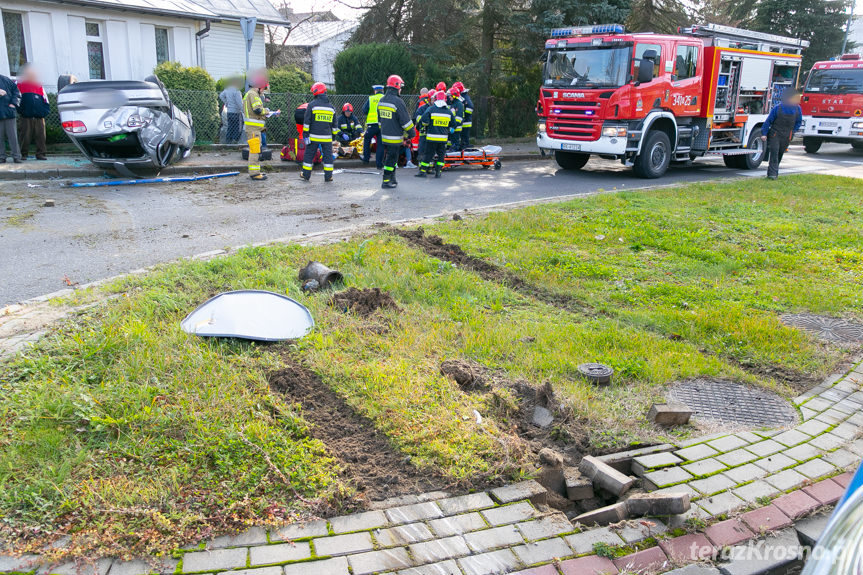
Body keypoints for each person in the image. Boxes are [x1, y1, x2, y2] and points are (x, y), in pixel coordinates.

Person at [377, 75, 415, 189]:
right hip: (394, 137)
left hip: (384, 135)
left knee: (392, 157)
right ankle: (386, 180)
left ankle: (392, 178)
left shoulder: (382, 100)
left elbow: (379, 120)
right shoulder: (398, 102)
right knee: (391, 158)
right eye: (400, 87)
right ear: (396, 86)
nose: (401, 89)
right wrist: (411, 133)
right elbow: (405, 121)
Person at [242, 70, 279, 181]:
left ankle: (255, 172)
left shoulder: (250, 94)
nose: (264, 91)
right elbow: (257, 110)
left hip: (254, 129)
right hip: (253, 130)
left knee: (256, 150)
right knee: (254, 151)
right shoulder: (253, 94)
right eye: (264, 88)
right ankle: (254, 173)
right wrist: (268, 111)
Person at [301, 82, 339, 182]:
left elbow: (307, 122)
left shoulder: (312, 105)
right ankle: (328, 176)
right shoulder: (331, 108)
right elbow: (335, 125)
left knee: (309, 156)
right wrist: (334, 136)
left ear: (315, 92)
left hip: (313, 137)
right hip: (327, 137)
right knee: (328, 157)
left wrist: (305, 134)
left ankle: (306, 175)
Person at [761, 89, 802, 180]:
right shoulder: (777, 108)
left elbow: (798, 122)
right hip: (775, 134)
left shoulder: (797, 109)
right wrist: (764, 133)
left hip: (787, 135)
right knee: (774, 153)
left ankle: (774, 172)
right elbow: (768, 121)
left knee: (780, 153)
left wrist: (793, 131)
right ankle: (772, 175)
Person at [415, 91, 454, 179]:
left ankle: (422, 172)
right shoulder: (448, 111)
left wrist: (426, 125)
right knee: (441, 155)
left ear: (435, 99)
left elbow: (424, 120)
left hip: (432, 138)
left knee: (428, 154)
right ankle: (438, 172)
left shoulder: (431, 109)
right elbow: (453, 123)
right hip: (443, 139)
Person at [15, 65, 50, 161]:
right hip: (26, 116)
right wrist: (21, 111)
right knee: (24, 136)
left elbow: (46, 100)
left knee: (41, 137)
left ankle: (41, 154)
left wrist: (44, 112)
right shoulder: (20, 85)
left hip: (39, 117)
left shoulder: (39, 86)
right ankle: (23, 154)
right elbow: (16, 99)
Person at [361, 84, 385, 168]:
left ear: (375, 91)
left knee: (367, 139)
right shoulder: (385, 98)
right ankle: (379, 164)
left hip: (372, 124)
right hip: (383, 124)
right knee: (380, 144)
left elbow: (364, 110)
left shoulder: (371, 98)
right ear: (382, 91)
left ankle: (366, 159)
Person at [0, 72, 22, 164]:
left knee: (13, 136)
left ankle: (16, 156)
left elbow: (17, 93)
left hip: (9, 113)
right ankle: (1, 156)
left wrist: (13, 104)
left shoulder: (6, 80)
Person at [219, 76, 243, 144]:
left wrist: (226, 102)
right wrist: (243, 111)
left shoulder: (227, 89)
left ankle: (228, 141)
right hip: (236, 112)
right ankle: (235, 141)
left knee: (230, 127)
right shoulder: (237, 91)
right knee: (237, 128)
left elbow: (221, 95)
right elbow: (239, 103)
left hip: (229, 111)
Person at [453, 81, 474, 149]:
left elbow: (470, 107)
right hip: (465, 120)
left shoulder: (464, 97)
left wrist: (465, 115)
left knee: (465, 135)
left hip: (466, 121)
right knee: (463, 136)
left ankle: (465, 146)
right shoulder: (463, 96)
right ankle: (464, 145)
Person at [414, 90, 433, 164]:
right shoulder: (422, 108)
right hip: (424, 132)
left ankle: (429, 168)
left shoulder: (437, 108)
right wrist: (424, 121)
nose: (434, 101)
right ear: (429, 99)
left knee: (430, 151)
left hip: (432, 133)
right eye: (433, 99)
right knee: (422, 150)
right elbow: (417, 117)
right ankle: (422, 167)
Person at [447, 86, 465, 151]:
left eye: (450, 96)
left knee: (455, 145)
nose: (449, 97)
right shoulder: (453, 104)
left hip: (456, 128)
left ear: (454, 96)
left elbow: (458, 119)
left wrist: (453, 127)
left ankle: (455, 156)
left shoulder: (459, 104)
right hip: (453, 128)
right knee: (451, 144)